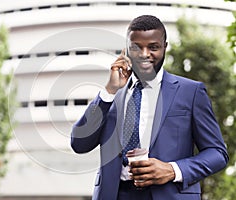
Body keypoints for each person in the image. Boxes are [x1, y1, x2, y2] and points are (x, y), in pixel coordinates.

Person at [71, 15, 228, 200]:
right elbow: (79, 144)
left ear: (164, 47)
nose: (145, 54)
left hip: (169, 194)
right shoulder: (112, 95)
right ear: (127, 49)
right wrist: (109, 92)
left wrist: (172, 170)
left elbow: (217, 153)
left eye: (153, 47)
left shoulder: (191, 92)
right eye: (136, 47)